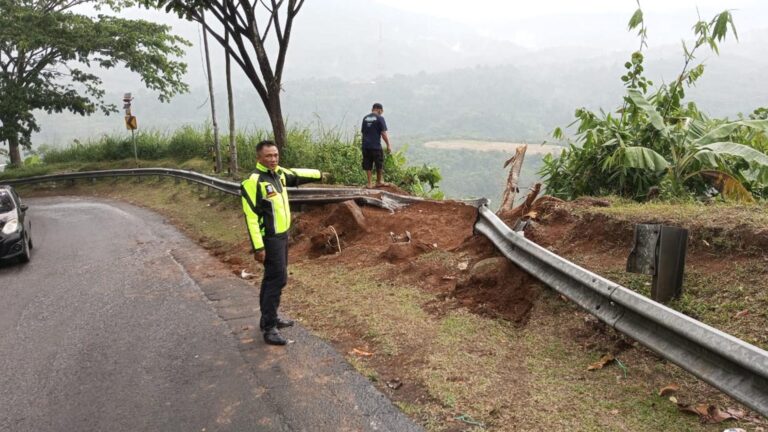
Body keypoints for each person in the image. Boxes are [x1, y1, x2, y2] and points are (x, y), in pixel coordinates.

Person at [240, 140, 321, 345]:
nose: (273, 159)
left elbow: (297, 174)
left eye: (275, 155)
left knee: (274, 279)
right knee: (277, 280)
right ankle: (270, 329)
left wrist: (320, 174)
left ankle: (269, 318)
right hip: (269, 239)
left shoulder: (279, 175)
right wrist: (258, 247)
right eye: (268, 156)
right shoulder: (253, 181)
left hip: (282, 236)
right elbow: (250, 217)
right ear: (259, 157)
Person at [360, 102, 392, 188]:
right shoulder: (380, 118)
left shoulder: (365, 118)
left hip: (365, 146)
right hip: (376, 146)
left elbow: (363, 132)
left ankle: (369, 183)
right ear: (378, 109)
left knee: (367, 164)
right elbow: (383, 133)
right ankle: (378, 182)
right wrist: (388, 144)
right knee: (379, 163)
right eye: (381, 111)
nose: (381, 112)